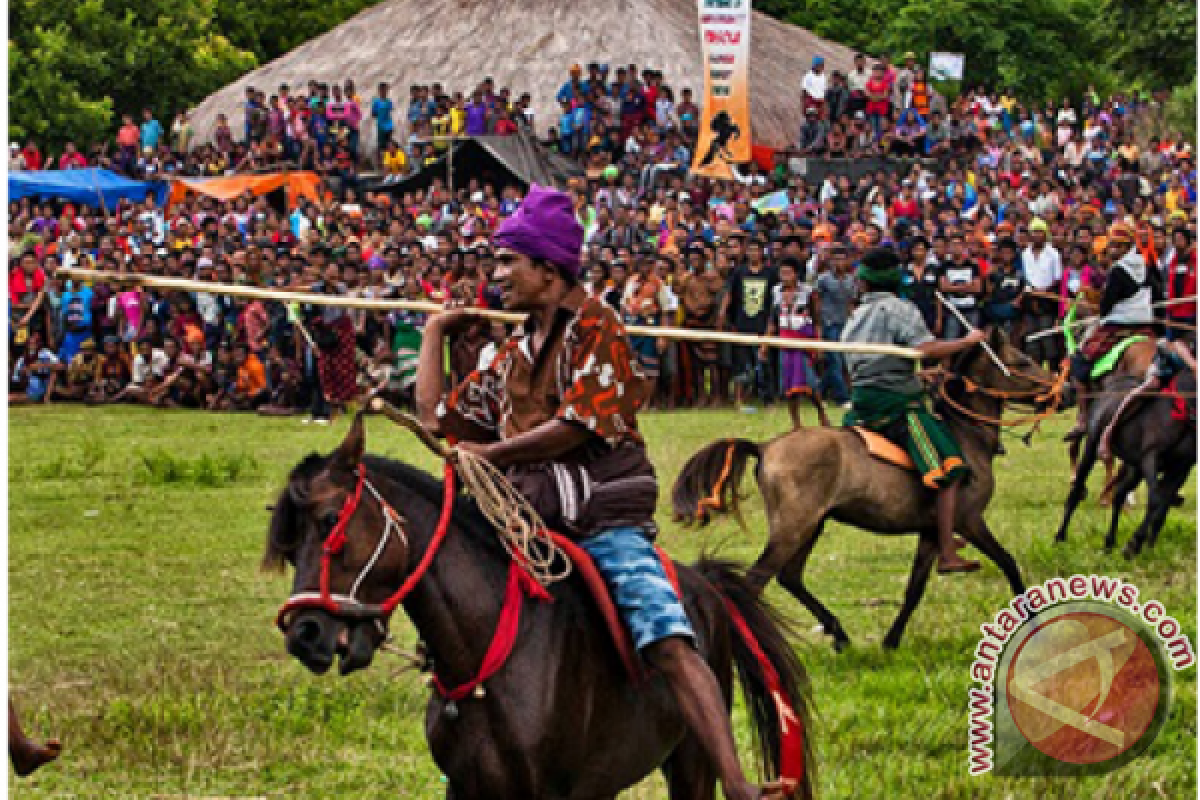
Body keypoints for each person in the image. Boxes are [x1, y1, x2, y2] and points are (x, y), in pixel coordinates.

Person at [415, 185, 789, 800]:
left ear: (549, 269)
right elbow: (435, 421)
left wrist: (493, 453)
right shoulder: (511, 354)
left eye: (511, 261)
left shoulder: (601, 331)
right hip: (525, 527)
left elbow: (575, 427)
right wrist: (436, 331)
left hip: (602, 524)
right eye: (498, 261)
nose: (498, 274)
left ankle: (736, 780)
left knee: (667, 639)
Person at [841, 247, 985, 574]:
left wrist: (913, 374)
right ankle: (947, 553)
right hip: (896, 405)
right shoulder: (899, 309)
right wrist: (967, 342)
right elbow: (927, 349)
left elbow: (865, 364)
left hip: (862, 399)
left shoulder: (855, 316)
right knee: (950, 468)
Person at [766, 257, 828, 428]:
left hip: (804, 341)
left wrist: (819, 343)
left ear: (796, 274)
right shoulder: (776, 292)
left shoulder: (808, 293)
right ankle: (796, 423)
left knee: (810, 383)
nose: (784, 277)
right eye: (782, 273)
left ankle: (822, 413)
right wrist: (766, 342)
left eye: (788, 273)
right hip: (785, 342)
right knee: (788, 385)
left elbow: (817, 320)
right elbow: (772, 320)